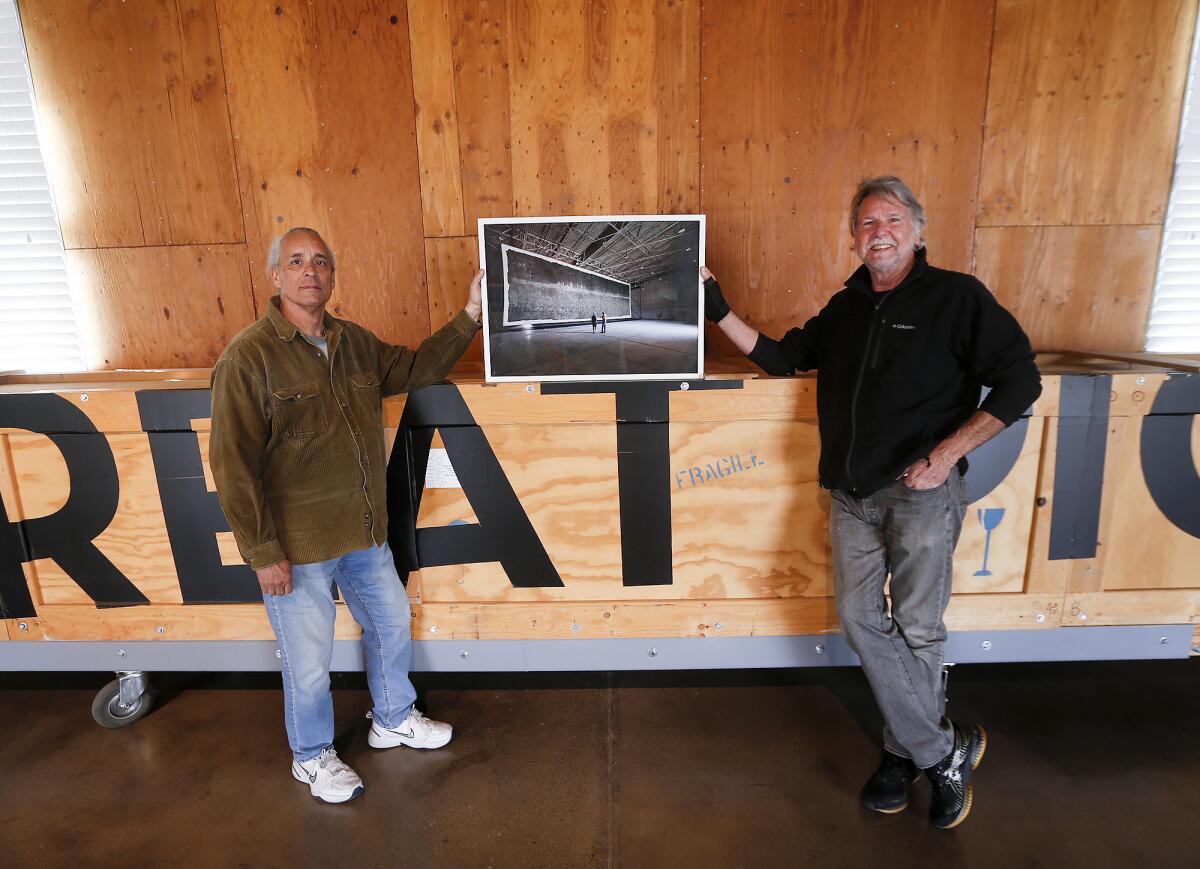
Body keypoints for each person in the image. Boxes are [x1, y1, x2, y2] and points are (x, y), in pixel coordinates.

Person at [703, 176, 1040, 829]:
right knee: (861, 620)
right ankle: (943, 749)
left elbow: (1019, 378)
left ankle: (902, 752)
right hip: (852, 496)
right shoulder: (848, 306)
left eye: (890, 219)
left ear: (916, 228)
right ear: (854, 237)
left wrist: (945, 455)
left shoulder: (956, 297)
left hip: (921, 494)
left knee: (917, 629)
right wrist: (716, 307)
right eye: (865, 223)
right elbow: (782, 358)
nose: (877, 231)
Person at [209, 227, 483, 804]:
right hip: (297, 548)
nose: (310, 271)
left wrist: (471, 315)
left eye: (321, 263)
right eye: (297, 261)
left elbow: (415, 369)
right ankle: (311, 758)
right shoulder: (248, 357)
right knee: (309, 663)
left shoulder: (354, 342)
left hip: (364, 535)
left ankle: (392, 718)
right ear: (276, 276)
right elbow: (233, 466)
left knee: (389, 624)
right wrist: (263, 554)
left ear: (332, 277)